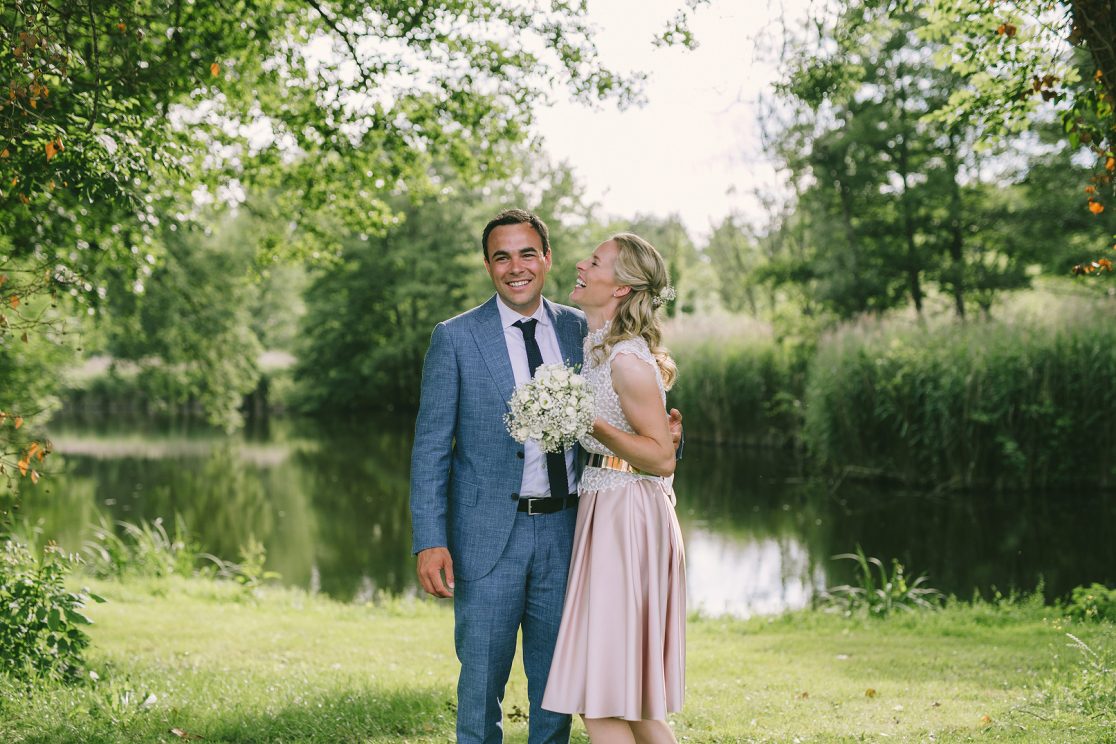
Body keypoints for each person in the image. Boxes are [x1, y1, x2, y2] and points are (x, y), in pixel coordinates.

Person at [409, 210, 680, 744]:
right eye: (502, 256)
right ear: (488, 265)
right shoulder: (455, 338)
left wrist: (671, 436)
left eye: (527, 253)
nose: (516, 267)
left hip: (573, 534)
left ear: (546, 258)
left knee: (557, 693)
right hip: (486, 538)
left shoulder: (583, 329)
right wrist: (430, 540)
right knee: (480, 682)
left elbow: (635, 413)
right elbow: (430, 450)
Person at [542, 233, 685, 744]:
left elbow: (661, 458)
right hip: (604, 509)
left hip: (627, 518)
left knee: (602, 699)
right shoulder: (595, 345)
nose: (580, 264)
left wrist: (590, 423)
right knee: (627, 697)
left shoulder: (627, 359)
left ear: (622, 287)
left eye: (595, 261)